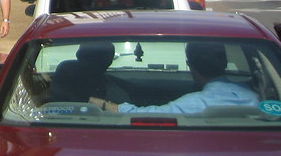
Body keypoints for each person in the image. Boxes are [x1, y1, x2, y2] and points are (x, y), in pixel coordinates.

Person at [90, 42, 259, 114]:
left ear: (190, 65)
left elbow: (144, 117)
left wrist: (103, 104)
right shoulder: (258, 94)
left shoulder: (194, 104)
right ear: (225, 62)